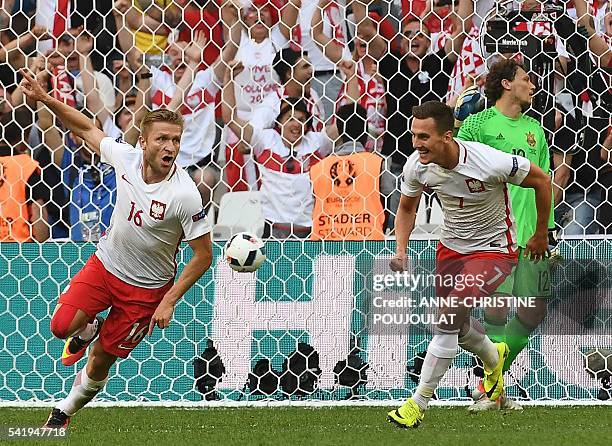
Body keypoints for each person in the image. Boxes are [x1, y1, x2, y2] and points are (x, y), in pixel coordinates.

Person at [18, 69, 213, 429]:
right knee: (61, 327)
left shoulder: (185, 195)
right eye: (162, 139)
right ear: (143, 141)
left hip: (145, 291)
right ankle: (88, 325)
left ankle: (63, 413)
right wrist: (45, 99)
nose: (170, 147)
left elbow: (203, 255)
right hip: (106, 266)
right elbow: (87, 129)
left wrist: (168, 300)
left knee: (100, 361)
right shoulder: (124, 158)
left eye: (176, 140)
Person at [387, 101, 551, 428]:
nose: (416, 143)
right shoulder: (416, 166)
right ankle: (495, 359)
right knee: (456, 326)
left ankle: (417, 404)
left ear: (447, 136)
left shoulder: (488, 161)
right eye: (413, 136)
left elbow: (541, 180)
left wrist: (540, 233)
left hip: (493, 249)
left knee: (448, 317)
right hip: (451, 248)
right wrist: (401, 249)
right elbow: (406, 208)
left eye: (424, 137)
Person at [455, 59, 556, 410]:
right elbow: (453, 161)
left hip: (533, 233)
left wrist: (548, 229)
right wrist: (455, 121)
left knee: (533, 314)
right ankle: (491, 391)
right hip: (496, 232)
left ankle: (490, 386)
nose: (533, 84)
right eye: (527, 79)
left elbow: (546, 183)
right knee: (497, 312)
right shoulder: (478, 123)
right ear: (506, 84)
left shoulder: (535, 130)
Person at [352, 0, 473, 231]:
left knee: (443, 224)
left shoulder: (437, 63)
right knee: (397, 223)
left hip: (436, 158)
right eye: (408, 34)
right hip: (397, 158)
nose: (413, 38)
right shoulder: (390, 63)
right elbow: (365, 30)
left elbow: (463, 29)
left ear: (429, 41)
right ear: (400, 41)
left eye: (420, 34)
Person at [223, 59, 358, 238]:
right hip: (272, 229)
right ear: (279, 122)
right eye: (291, 118)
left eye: (302, 120)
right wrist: (228, 79)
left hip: (311, 230)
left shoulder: (317, 142)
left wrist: (352, 77)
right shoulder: (265, 140)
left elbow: (351, 117)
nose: (296, 124)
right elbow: (230, 118)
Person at [310, 103, 386, 240]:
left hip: (325, 246)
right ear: (365, 129)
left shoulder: (318, 168)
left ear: (339, 130)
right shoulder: (378, 164)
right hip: (369, 243)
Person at [0, 111, 50, 242]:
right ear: (24, 135)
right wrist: (40, 250)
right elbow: (38, 211)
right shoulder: (25, 165)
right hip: (19, 250)